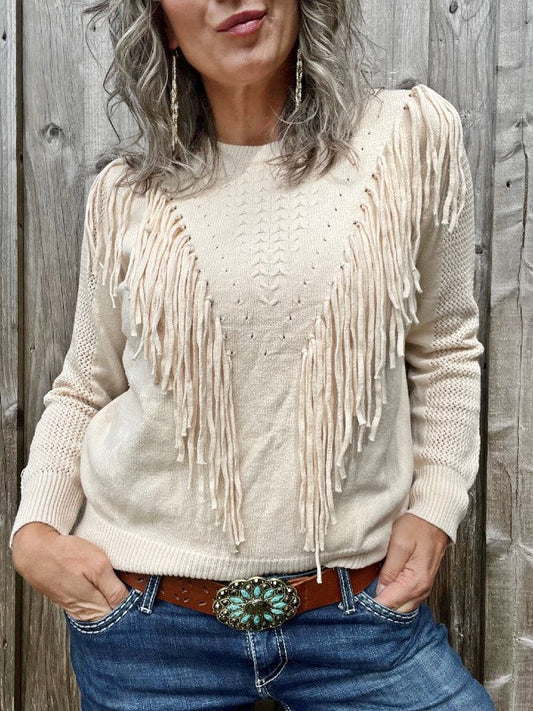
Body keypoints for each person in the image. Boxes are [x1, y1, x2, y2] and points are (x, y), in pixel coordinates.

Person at [9, 1, 496, 709]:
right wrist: (35, 532)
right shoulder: (126, 195)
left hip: (359, 615)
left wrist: (434, 505)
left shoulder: (408, 137)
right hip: (146, 625)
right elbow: (86, 385)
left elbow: (445, 345)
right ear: (161, 25)